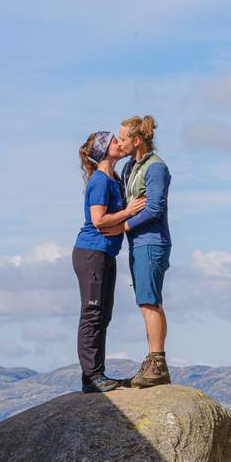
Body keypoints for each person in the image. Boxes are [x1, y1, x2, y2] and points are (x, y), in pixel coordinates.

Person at [72, 129, 145, 393]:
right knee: (92, 314)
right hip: (91, 253)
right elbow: (98, 220)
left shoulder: (113, 178)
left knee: (104, 314)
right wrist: (128, 212)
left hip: (105, 254)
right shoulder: (100, 181)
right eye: (115, 140)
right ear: (104, 149)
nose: (120, 143)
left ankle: (96, 373)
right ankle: (91, 377)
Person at [116, 115, 171, 387]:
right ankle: (153, 360)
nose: (120, 143)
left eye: (124, 139)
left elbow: (154, 208)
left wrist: (124, 224)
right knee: (146, 300)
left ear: (137, 140)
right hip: (138, 243)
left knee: (149, 300)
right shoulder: (130, 168)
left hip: (152, 241)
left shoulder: (156, 168)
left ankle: (157, 362)